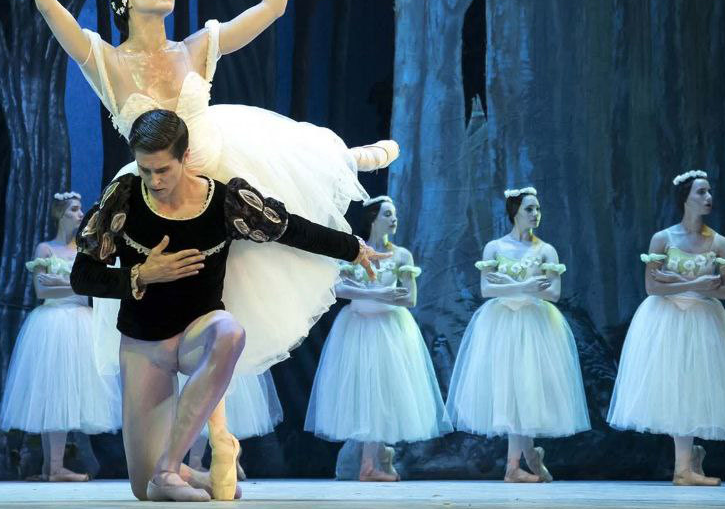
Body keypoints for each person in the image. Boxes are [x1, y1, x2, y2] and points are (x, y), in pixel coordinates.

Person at [23, 0, 398, 378]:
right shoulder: (106, 62)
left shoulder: (197, 47)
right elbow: (49, 6)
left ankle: (345, 158)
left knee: (283, 189)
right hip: (160, 191)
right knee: (184, 305)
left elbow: (271, 9)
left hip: (219, 171)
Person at [69, 109, 382, 502]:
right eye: (145, 170)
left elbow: (288, 228)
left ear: (185, 157)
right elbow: (82, 276)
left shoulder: (225, 201)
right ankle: (187, 474)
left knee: (230, 331)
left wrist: (352, 248)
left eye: (163, 169)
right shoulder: (125, 198)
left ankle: (169, 469)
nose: (154, 180)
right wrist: (142, 274)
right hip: (145, 342)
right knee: (142, 488)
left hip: (198, 335)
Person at [607, 170, 725, 485]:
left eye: (709, 191)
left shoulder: (720, 243)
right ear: (685, 198)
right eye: (701, 192)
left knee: (695, 386)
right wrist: (699, 282)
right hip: (665, 319)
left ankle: (687, 463)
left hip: (705, 319)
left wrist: (675, 280)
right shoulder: (663, 239)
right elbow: (652, 287)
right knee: (675, 386)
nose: (708, 197)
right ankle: (684, 468)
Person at [445, 187, 589, 483]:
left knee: (526, 390)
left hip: (536, 325)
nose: (535, 214)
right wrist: (526, 286)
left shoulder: (546, 250)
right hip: (501, 324)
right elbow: (487, 289)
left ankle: (520, 463)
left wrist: (508, 284)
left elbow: (553, 293)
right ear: (515, 212)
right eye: (529, 209)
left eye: (538, 209)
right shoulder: (495, 247)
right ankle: (524, 461)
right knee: (509, 391)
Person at [305, 195, 450, 480]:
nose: (394, 219)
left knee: (384, 392)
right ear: (373, 218)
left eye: (394, 214)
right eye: (387, 214)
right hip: (357, 327)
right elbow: (338, 289)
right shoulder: (355, 250)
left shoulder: (402, 256)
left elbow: (409, 298)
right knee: (366, 392)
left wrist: (381, 296)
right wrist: (378, 293)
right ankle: (371, 464)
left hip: (390, 329)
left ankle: (375, 461)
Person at [0, 190, 121, 481]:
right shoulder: (45, 250)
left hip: (80, 322)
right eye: (74, 210)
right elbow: (42, 291)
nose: (80, 214)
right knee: (54, 392)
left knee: (66, 392)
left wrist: (62, 281)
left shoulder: (86, 249)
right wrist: (74, 283)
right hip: (52, 324)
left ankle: (51, 467)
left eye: (80, 210)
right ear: (60, 214)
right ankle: (54, 468)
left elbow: (93, 287)